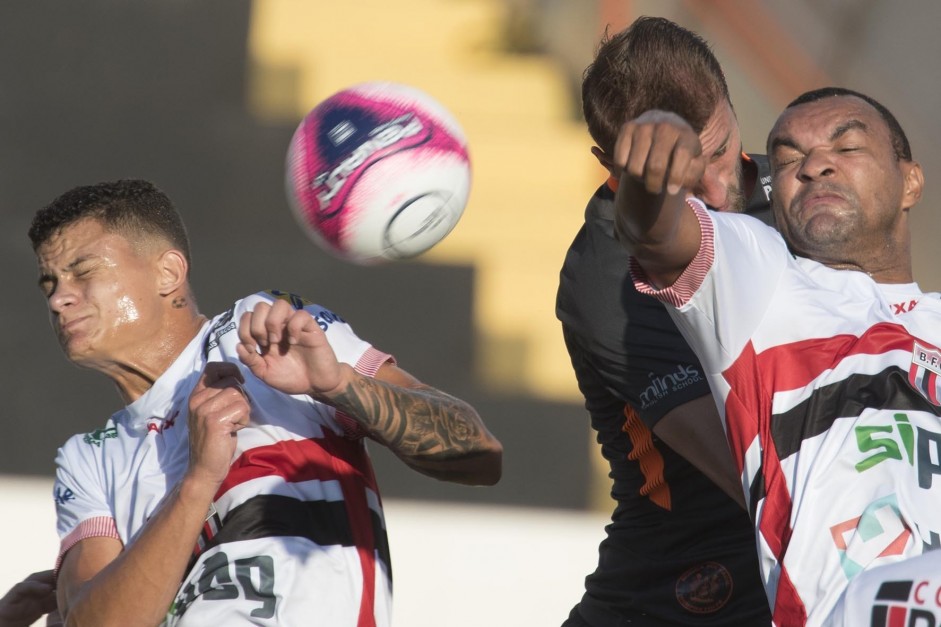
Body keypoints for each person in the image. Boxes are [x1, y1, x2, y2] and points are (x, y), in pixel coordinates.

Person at [28, 179, 503, 626]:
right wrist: (197, 482)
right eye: (50, 284)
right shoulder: (87, 459)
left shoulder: (258, 327)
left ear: (168, 272)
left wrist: (336, 385)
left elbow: (478, 455)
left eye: (82, 273)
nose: (58, 300)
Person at [612, 87, 941, 625]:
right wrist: (649, 178)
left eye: (847, 148)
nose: (814, 167)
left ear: (911, 182)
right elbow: (656, 233)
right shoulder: (761, 282)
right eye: (789, 159)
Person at [556, 17, 772, 625]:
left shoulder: (794, 192)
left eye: (723, 150)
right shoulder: (606, 283)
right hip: (683, 588)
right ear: (609, 162)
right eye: (678, 176)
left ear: (731, 101)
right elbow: (746, 467)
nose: (717, 191)